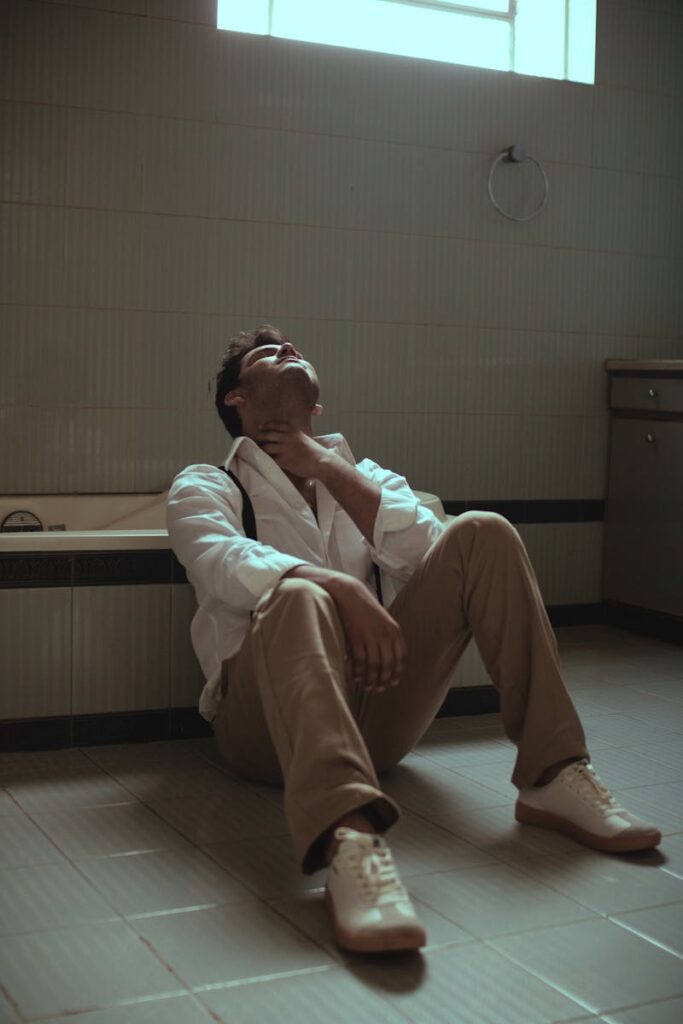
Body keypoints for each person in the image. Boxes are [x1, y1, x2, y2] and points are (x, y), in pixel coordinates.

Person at [166, 324, 661, 955]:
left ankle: (554, 773)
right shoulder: (207, 484)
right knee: (297, 593)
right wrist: (341, 589)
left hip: (379, 716)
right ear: (235, 399)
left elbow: (433, 558)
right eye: (269, 353)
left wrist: (327, 468)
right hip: (261, 732)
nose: (290, 350)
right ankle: (350, 842)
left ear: (316, 406)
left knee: (483, 530)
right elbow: (218, 561)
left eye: (297, 349)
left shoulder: (368, 477)